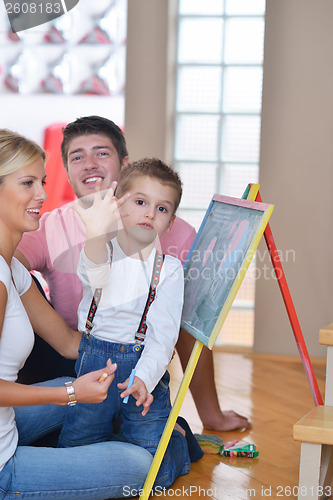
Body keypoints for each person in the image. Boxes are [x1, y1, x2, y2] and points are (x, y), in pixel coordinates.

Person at [15, 115, 251, 432]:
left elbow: (189, 328)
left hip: (138, 358)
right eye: (77, 156)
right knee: (15, 275)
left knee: (173, 312)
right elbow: (8, 261)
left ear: (125, 164)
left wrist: (212, 415)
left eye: (101, 152)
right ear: (68, 170)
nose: (89, 164)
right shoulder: (52, 224)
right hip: (71, 353)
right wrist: (68, 342)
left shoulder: (172, 231)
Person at [0, 128, 156, 498]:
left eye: (43, 181)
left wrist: (144, 360)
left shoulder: (12, 269)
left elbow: (71, 344)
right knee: (139, 466)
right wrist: (72, 393)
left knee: (68, 388)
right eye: (27, 183)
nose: (42, 194)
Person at [58, 159, 203, 483]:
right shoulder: (100, 250)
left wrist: (145, 378)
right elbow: (93, 273)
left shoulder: (169, 270)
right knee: (74, 446)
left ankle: (178, 440)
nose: (150, 213)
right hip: (93, 366)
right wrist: (95, 232)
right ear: (117, 206)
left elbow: (163, 337)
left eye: (161, 208)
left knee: (153, 471)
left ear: (170, 221)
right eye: (140, 202)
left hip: (141, 371)